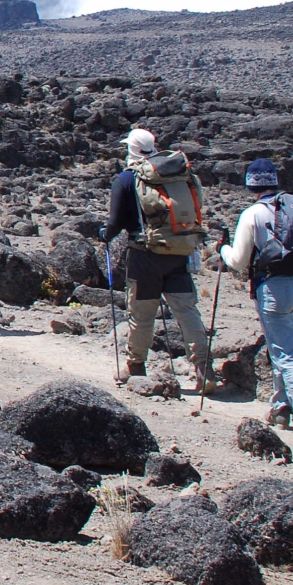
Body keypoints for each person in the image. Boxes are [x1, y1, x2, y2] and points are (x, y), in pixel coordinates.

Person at [219, 159, 293, 444]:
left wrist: (223, 249)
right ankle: (281, 408)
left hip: (274, 289)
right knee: (290, 350)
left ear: (251, 185)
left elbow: (238, 261)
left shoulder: (253, 213)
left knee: (286, 356)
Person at [103, 128, 217, 391]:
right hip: (180, 252)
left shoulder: (126, 179)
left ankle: (136, 366)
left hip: (144, 256)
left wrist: (103, 235)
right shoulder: (177, 175)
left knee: (142, 313)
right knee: (186, 310)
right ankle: (204, 368)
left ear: (130, 149)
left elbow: (115, 222)